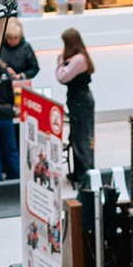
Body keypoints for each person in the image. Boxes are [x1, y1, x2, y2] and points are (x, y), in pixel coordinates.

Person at [0, 18, 39, 182]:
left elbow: (34, 68)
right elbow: (10, 96)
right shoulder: (4, 73)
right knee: (11, 149)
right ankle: (15, 181)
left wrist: (21, 76)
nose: (13, 42)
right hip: (6, 114)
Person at [55, 28, 95, 182]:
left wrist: (60, 61)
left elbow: (62, 77)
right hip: (79, 100)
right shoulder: (79, 57)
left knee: (82, 138)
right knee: (78, 136)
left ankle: (86, 175)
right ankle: (80, 173)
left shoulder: (78, 59)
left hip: (80, 101)